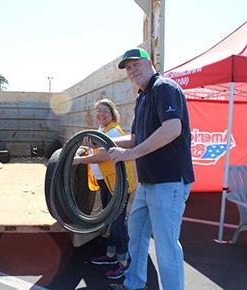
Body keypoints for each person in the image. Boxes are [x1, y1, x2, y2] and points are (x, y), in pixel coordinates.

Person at [107, 48, 195, 290]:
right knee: (136, 237)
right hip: (148, 183)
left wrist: (129, 155)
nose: (132, 70)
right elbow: (135, 137)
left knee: (166, 246)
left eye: (136, 64)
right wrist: (105, 141)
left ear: (150, 62)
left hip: (169, 181)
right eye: (127, 68)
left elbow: (172, 129)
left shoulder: (163, 87)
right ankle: (133, 284)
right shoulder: (142, 97)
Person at [73, 98, 137, 280]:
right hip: (107, 182)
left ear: (113, 114)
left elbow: (102, 156)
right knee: (109, 220)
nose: (101, 114)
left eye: (105, 111)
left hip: (118, 184)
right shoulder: (102, 131)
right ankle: (110, 256)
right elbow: (95, 149)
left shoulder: (114, 132)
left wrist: (77, 160)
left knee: (116, 222)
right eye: (98, 111)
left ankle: (123, 263)